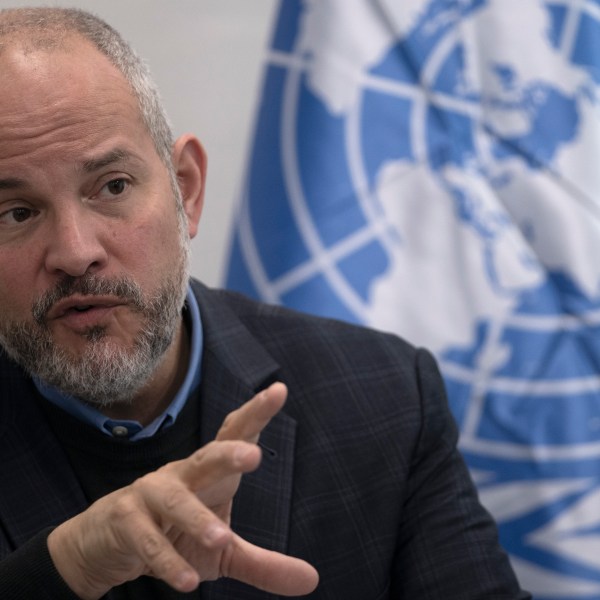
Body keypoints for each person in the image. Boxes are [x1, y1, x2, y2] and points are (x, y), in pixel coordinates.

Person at [0, 6, 530, 599]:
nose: (75, 252)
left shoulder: (388, 397)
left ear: (187, 190)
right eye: (17, 213)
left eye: (112, 186)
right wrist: (66, 565)